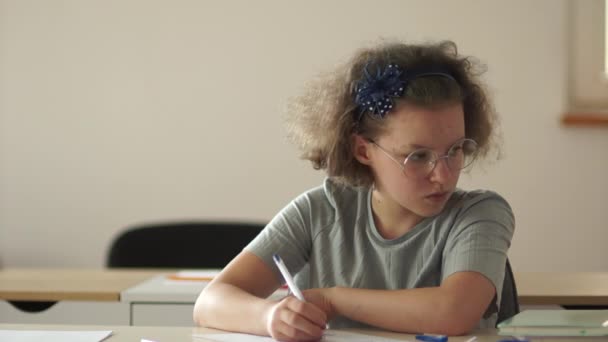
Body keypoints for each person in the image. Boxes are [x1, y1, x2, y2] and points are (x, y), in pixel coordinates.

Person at [193, 40, 514, 341]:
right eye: (417, 156)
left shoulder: (480, 214)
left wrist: (334, 299)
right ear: (363, 150)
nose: (443, 176)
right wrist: (269, 317)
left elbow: (452, 312)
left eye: (455, 150)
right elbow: (210, 302)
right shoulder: (320, 211)